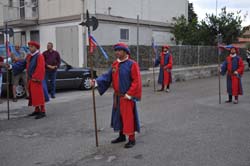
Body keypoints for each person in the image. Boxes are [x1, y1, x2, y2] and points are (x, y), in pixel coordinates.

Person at [91, 42, 142, 148]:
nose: (117, 52)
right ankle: (121, 136)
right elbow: (107, 77)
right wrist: (96, 82)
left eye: (119, 50)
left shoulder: (132, 64)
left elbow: (136, 81)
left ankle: (131, 139)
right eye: (116, 51)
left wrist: (129, 94)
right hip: (117, 97)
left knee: (128, 118)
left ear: (125, 51)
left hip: (126, 97)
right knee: (119, 117)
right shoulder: (115, 64)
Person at [10, 41, 49, 119]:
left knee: (39, 96)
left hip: (37, 80)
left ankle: (43, 111)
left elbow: (40, 68)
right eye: (29, 47)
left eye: (31, 47)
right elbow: (22, 64)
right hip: (31, 79)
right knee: (34, 96)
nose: (30, 48)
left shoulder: (39, 56)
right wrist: (11, 66)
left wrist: (36, 78)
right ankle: (37, 110)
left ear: (36, 47)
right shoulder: (29, 56)